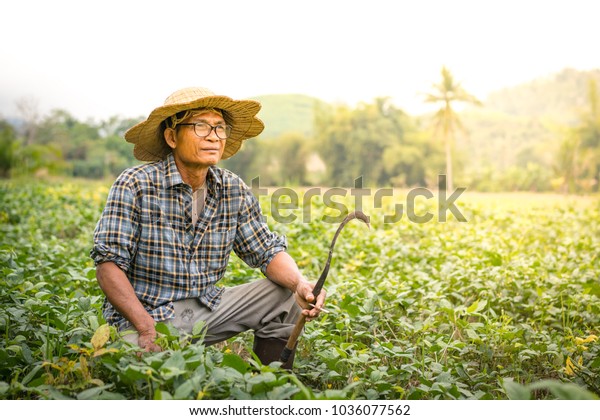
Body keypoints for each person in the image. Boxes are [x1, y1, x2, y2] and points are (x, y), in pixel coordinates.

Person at [90, 87, 325, 368]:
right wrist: (145, 328)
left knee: (283, 295)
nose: (213, 136)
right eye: (200, 126)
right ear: (171, 136)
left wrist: (300, 283)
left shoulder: (232, 188)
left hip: (205, 310)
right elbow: (108, 266)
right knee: (135, 376)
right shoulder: (136, 184)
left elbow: (266, 251)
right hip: (144, 316)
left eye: (219, 128)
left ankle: (272, 388)